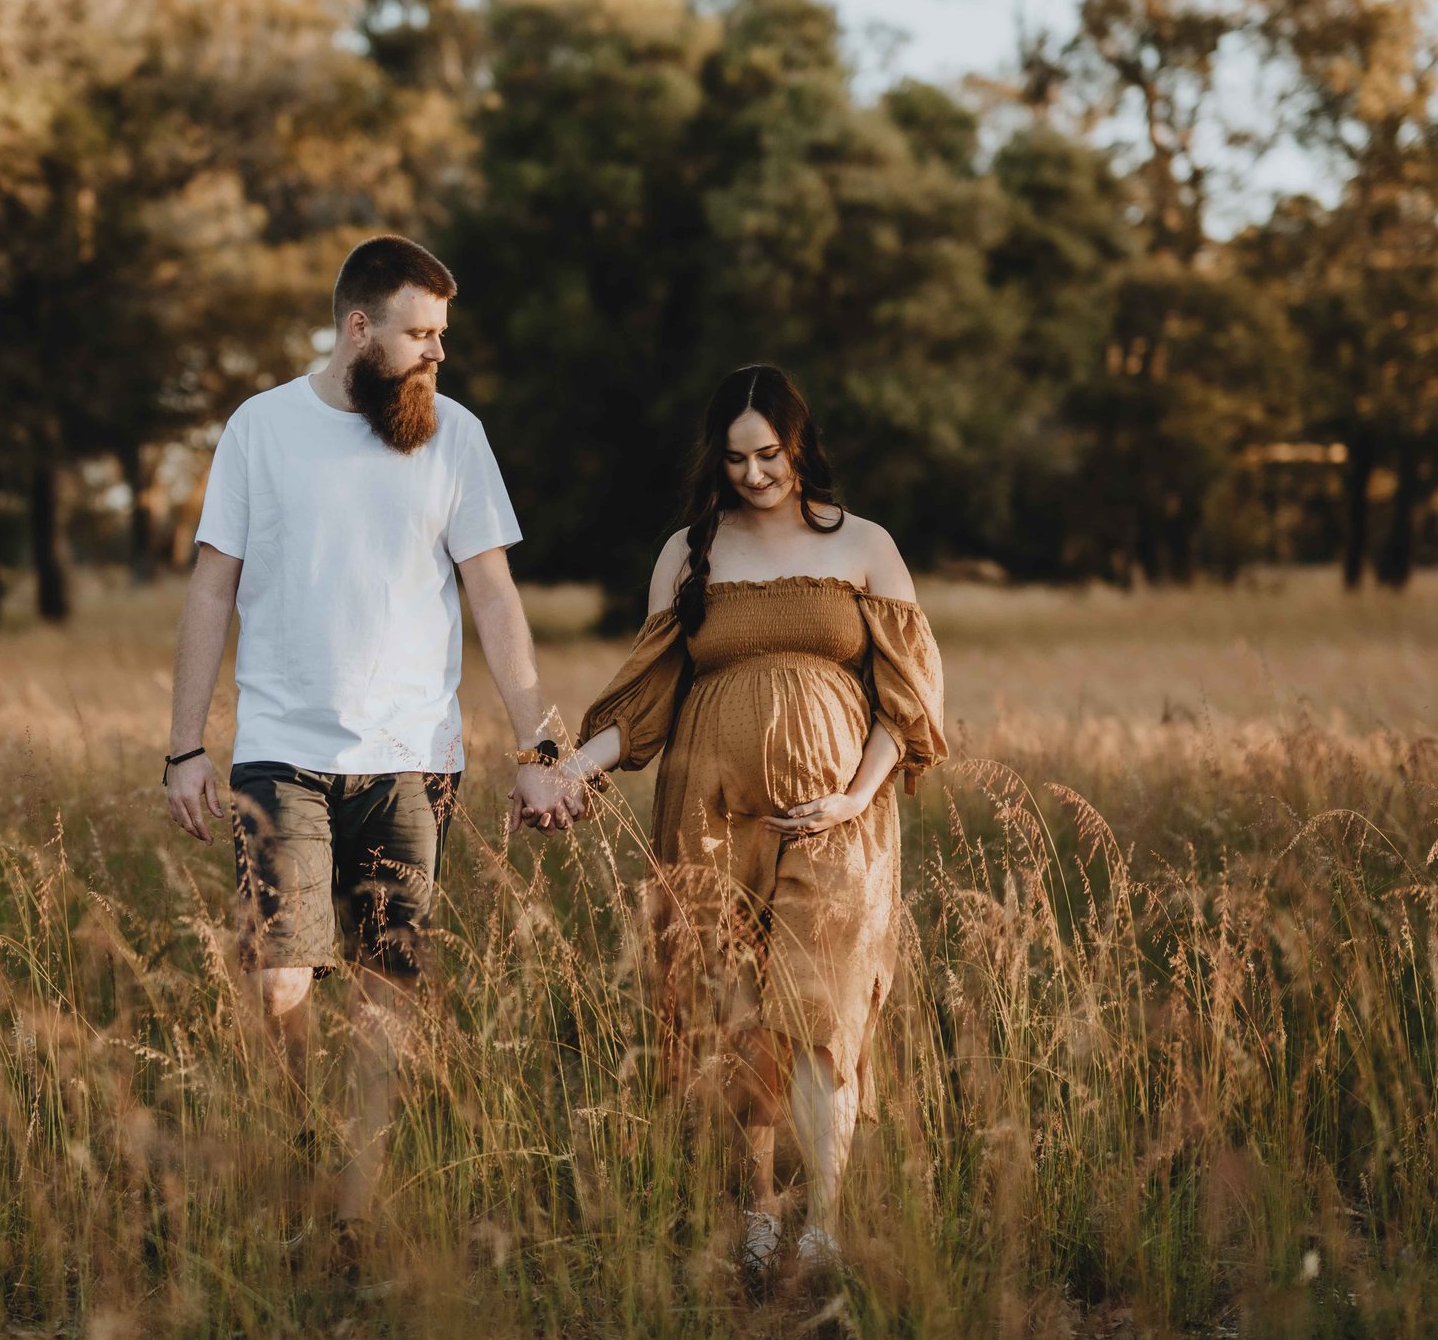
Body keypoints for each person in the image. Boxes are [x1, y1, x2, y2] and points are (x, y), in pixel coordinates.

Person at [162, 234, 583, 1223]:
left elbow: (494, 595)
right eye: (419, 333)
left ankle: (359, 1195)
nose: (437, 351)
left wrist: (542, 750)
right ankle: (299, 1162)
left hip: (409, 762)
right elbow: (209, 587)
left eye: (442, 333)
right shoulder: (259, 429)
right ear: (359, 329)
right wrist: (185, 743)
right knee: (281, 983)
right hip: (280, 757)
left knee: (390, 990)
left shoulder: (455, 436)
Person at [549, 364, 946, 1281]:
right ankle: (760, 1210)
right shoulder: (691, 551)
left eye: (769, 453)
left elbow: (910, 698)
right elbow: (641, 704)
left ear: (798, 445)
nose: (755, 473)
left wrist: (856, 792)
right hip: (707, 812)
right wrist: (568, 771)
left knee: (823, 1009)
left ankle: (829, 1220)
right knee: (730, 1011)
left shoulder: (865, 546)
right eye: (736, 458)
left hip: (838, 816)